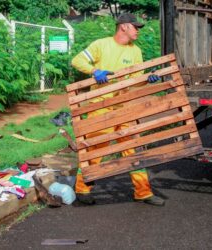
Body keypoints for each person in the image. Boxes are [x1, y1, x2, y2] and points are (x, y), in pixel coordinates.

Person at [71, 13, 165, 206]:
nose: (138, 30)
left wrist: (148, 78)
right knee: (96, 148)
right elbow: (77, 60)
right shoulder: (101, 45)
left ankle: (143, 192)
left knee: (132, 150)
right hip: (100, 106)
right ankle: (82, 189)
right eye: (135, 27)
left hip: (123, 106)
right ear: (124, 27)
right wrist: (94, 71)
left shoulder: (136, 51)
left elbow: (135, 82)